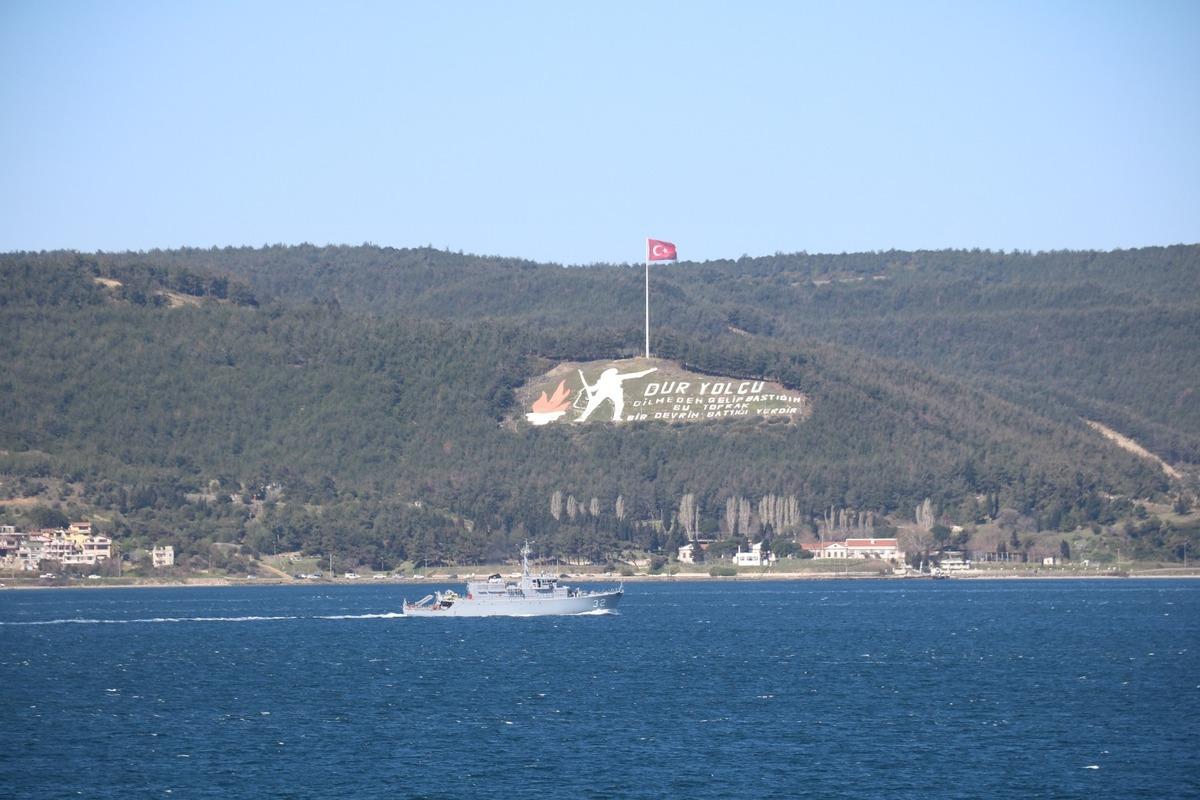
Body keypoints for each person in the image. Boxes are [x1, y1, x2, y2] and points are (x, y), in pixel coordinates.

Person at [576, 366, 657, 422]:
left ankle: (616, 417)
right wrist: (650, 370)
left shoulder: (607, 380)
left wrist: (650, 370)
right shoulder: (607, 380)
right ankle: (583, 417)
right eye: (613, 372)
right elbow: (591, 389)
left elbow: (637, 375)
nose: (615, 373)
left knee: (618, 403)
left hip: (613, 392)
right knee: (594, 403)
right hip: (607, 392)